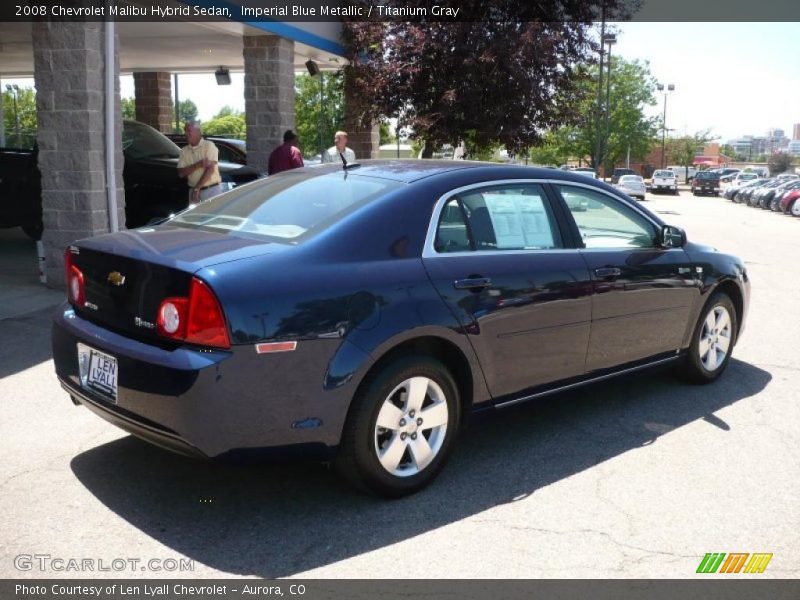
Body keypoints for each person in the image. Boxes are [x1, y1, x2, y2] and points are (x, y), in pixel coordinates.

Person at [176, 120, 223, 202]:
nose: (185, 133)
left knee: (212, 215)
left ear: (198, 131)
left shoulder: (209, 145)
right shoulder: (183, 151)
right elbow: (181, 173)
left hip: (211, 191)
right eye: (185, 131)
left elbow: (211, 169)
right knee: (195, 215)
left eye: (188, 131)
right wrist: (198, 165)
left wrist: (197, 188)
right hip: (193, 191)